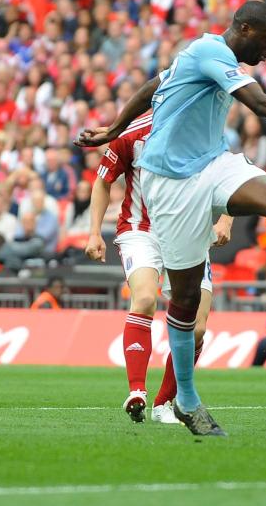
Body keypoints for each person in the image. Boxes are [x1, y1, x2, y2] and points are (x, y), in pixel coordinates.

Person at [76, 1, 266, 437]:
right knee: (181, 301)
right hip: (169, 185)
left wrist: (112, 125)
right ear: (246, 28)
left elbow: (151, 86)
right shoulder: (208, 52)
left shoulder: (199, 56)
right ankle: (186, 399)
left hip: (213, 163)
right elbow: (259, 104)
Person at [84, 112, 231, 425]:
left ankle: (165, 403)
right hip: (141, 230)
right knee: (145, 298)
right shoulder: (132, 133)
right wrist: (95, 231)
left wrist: (226, 219)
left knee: (199, 328)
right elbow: (103, 180)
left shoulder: (205, 130)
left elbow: (229, 180)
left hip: (190, 232)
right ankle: (137, 390)